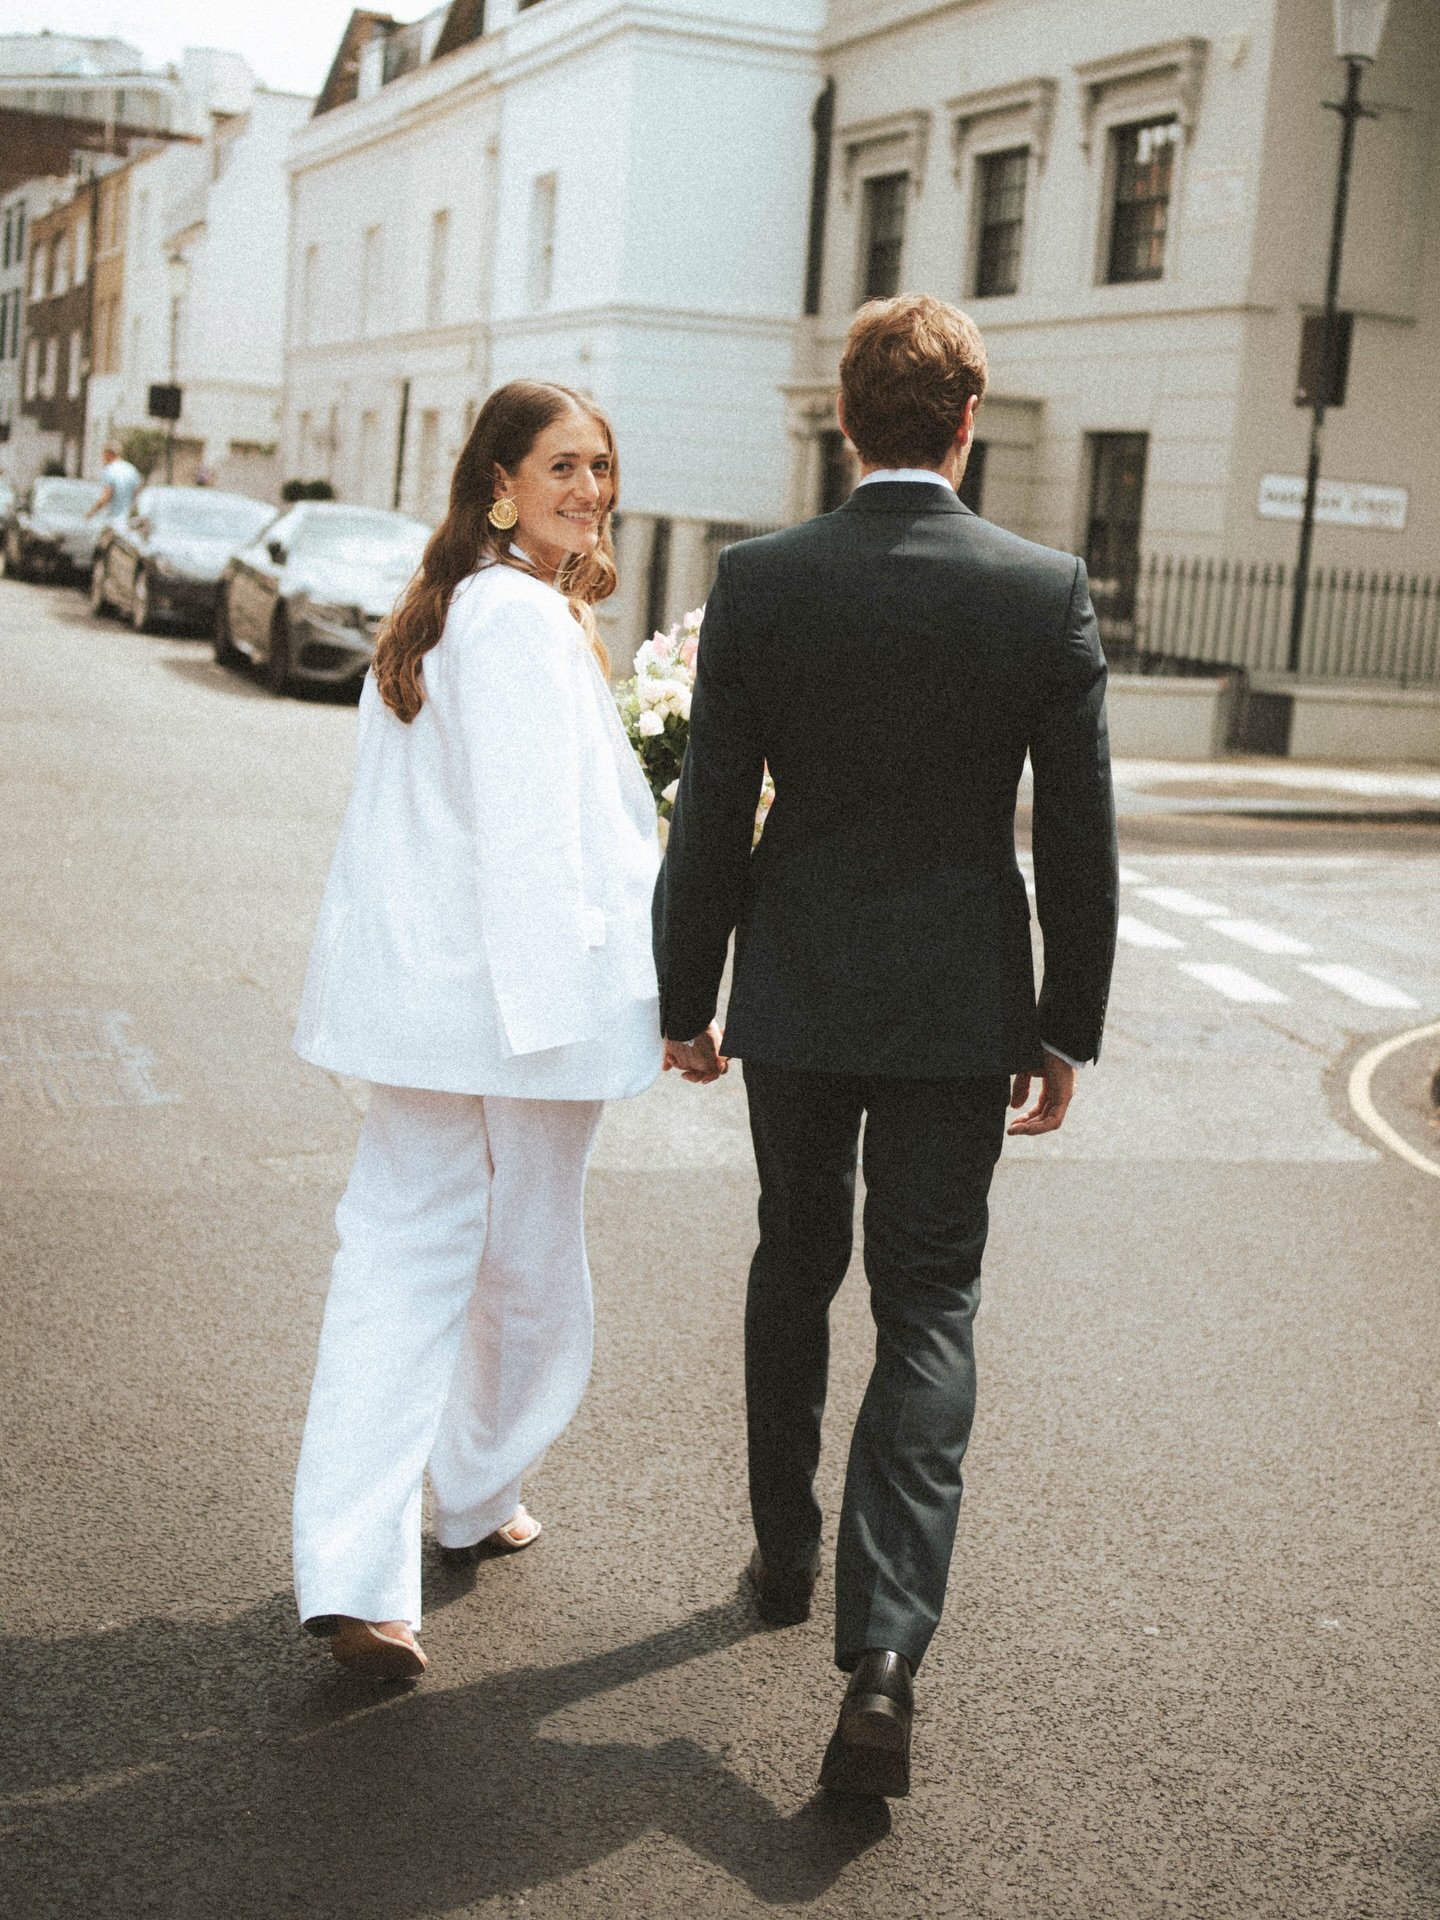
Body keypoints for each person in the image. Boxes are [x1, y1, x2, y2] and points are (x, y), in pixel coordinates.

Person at [654, 294, 1118, 1796]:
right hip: (956, 1004)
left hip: (794, 988)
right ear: (967, 423)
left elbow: (713, 814)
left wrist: (686, 993)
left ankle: (784, 1554)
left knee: (798, 1254)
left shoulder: (764, 583)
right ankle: (887, 1656)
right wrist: (1065, 1024)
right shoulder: (1040, 590)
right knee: (929, 1303)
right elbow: (1086, 842)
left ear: (846, 421)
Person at [291, 380, 683, 1679]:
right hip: (521, 1012)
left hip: (415, 1011)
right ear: (501, 482)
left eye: (603, 465)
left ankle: (362, 1570)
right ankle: (465, 1495)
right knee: (526, 1270)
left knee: (394, 1272)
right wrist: (637, 1003)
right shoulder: (518, 623)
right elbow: (534, 851)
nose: (589, 487)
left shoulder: (448, 610)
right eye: (563, 464)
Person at [86, 444, 142, 523]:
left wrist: (91, 513)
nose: (102, 458)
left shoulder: (109, 470)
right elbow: (137, 493)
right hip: (127, 520)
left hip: (113, 519)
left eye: (103, 455)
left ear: (109, 454)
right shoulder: (132, 469)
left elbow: (107, 496)